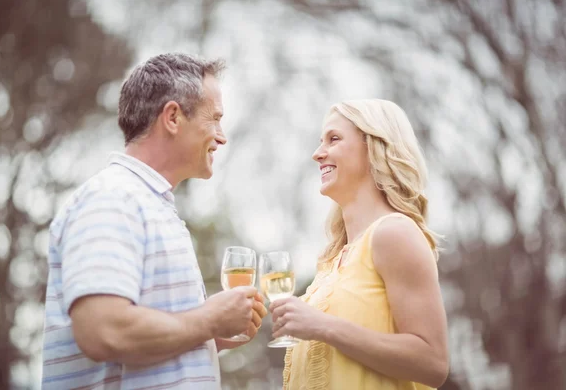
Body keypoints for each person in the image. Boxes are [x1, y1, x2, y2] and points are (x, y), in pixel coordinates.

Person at [42, 53, 267, 389]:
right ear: (173, 117)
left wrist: (211, 338)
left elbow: (136, 345)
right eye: (215, 119)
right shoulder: (113, 199)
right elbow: (103, 332)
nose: (222, 137)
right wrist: (210, 320)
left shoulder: (150, 205)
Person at [270, 99, 449, 389]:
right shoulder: (332, 261)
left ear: (373, 148)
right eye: (321, 141)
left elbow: (433, 362)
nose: (317, 154)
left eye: (334, 139)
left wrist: (323, 326)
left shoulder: (394, 233)